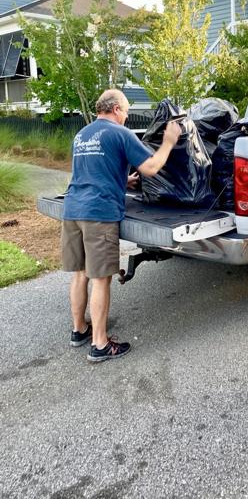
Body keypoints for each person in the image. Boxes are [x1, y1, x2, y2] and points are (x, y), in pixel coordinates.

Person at [62, 89, 181, 363]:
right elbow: (151, 167)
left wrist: (122, 180)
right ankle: (100, 344)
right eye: (126, 111)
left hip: (73, 209)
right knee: (101, 278)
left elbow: (91, 170)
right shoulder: (120, 133)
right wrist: (169, 142)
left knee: (80, 273)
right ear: (116, 108)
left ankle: (79, 330)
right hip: (99, 213)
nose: (126, 116)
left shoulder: (83, 135)